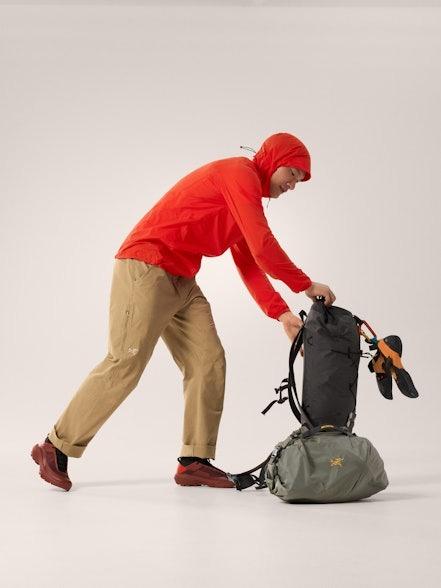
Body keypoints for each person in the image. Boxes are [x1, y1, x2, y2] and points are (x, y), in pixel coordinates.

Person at [31, 132, 336, 491]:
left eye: (300, 179)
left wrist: (282, 314)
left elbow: (250, 263)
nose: (293, 184)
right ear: (273, 160)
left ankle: (194, 462)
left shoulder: (245, 197)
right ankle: (55, 446)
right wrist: (305, 284)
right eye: (293, 173)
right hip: (146, 266)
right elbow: (263, 246)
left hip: (181, 278)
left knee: (208, 361)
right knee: (125, 361)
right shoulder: (240, 174)